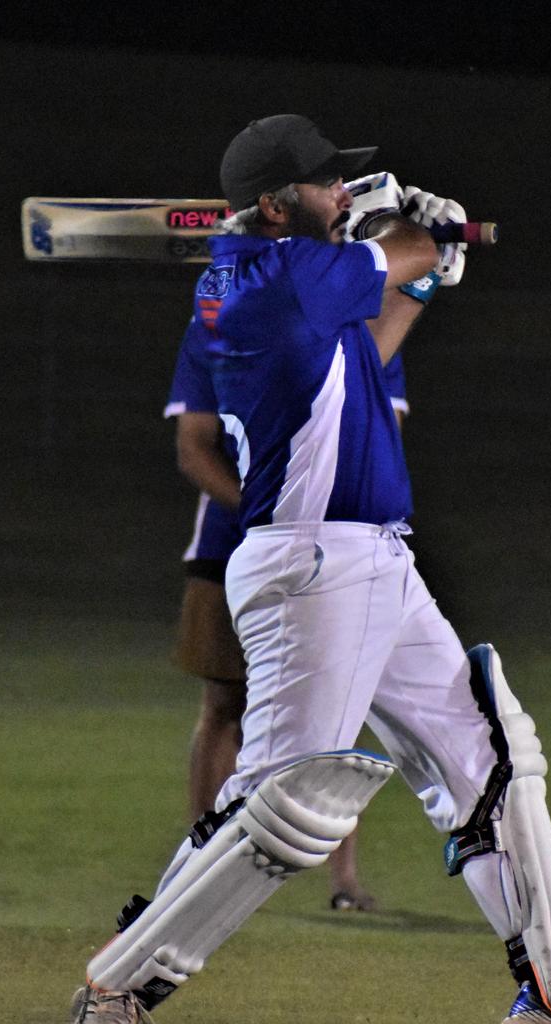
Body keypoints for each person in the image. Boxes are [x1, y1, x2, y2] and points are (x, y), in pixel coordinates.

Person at [71, 115, 551, 1024]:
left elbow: (369, 347)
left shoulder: (290, 278)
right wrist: (424, 230)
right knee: (278, 812)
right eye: (328, 184)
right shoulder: (276, 279)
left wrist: (426, 265)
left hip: (372, 558)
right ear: (277, 205)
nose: (344, 192)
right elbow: (396, 254)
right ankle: (120, 987)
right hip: (315, 567)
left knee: (490, 764)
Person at [164, 340, 410, 911]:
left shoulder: (360, 335)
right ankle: (201, 874)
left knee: (335, 718)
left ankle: (344, 881)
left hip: (333, 552)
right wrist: (269, 518)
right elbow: (195, 449)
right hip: (230, 548)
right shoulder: (218, 328)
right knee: (223, 707)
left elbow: (376, 440)